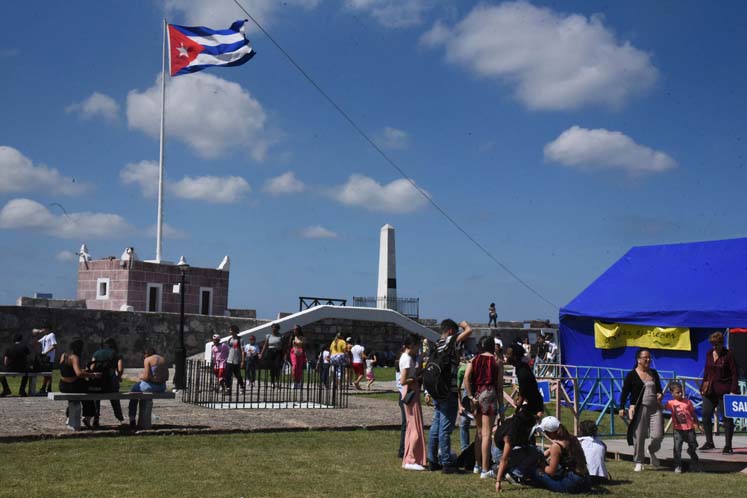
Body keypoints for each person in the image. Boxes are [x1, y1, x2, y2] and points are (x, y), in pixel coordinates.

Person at [427, 319, 473, 474]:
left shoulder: (437, 344)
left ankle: (432, 459)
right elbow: (469, 331)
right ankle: (447, 462)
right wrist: (464, 324)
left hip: (436, 390)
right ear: (452, 331)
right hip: (448, 391)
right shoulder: (450, 341)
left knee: (436, 425)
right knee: (445, 428)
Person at [464, 335, 504, 479]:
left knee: (479, 432)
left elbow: (466, 378)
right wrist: (502, 407)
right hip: (490, 394)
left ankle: (477, 464)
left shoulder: (473, 360)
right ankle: (486, 469)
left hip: (477, 394)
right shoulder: (497, 362)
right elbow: (499, 387)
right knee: (487, 434)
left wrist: (470, 396)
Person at [619, 348, 663, 471]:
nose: (648, 360)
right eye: (645, 358)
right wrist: (622, 407)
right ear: (639, 360)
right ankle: (639, 461)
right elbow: (625, 392)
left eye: (649, 357)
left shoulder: (653, 373)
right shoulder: (632, 375)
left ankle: (651, 450)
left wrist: (659, 394)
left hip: (655, 407)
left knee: (658, 435)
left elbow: (659, 389)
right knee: (639, 435)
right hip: (639, 408)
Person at [700, 331, 739, 454]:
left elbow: (734, 373)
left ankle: (728, 445)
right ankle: (709, 442)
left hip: (725, 390)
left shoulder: (728, 355)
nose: (714, 347)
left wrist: (733, 390)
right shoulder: (709, 354)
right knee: (706, 415)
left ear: (722, 343)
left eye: (716, 345)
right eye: (712, 345)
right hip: (710, 390)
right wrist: (703, 386)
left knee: (727, 418)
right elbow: (706, 371)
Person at [530, 416, 590, 494]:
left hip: (572, 483)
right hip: (585, 480)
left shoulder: (556, 446)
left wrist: (541, 466)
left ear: (549, 433)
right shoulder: (572, 438)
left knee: (534, 471)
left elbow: (551, 471)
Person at [493, 405, 541, 491]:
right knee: (535, 452)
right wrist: (498, 482)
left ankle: (499, 468)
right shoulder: (511, 434)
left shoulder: (513, 420)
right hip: (500, 454)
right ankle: (514, 473)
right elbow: (504, 458)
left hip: (497, 450)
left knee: (530, 450)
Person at [58, 338, 98, 430]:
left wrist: (82, 371)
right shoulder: (74, 357)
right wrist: (93, 374)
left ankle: (69, 416)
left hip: (63, 385)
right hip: (72, 385)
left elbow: (66, 370)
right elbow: (79, 374)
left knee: (75, 399)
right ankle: (87, 416)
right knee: (89, 395)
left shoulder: (63, 355)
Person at [401, 334, 427, 471]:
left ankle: (409, 457)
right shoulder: (406, 359)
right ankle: (411, 459)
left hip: (411, 392)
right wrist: (415, 378)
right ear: (411, 345)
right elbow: (403, 380)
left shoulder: (408, 358)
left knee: (411, 427)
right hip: (411, 392)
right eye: (417, 345)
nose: (418, 348)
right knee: (415, 428)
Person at [664, 381, 701, 473]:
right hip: (678, 430)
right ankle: (678, 465)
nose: (680, 394)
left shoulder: (688, 402)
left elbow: (693, 413)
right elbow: (662, 407)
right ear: (672, 393)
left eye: (681, 392)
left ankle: (693, 457)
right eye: (677, 392)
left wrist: (697, 424)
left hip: (689, 428)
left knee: (693, 444)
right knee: (677, 447)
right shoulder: (671, 403)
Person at [128, 347, 168, 428]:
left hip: (150, 386)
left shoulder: (148, 360)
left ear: (146, 354)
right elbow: (166, 377)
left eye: (144, 355)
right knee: (141, 391)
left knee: (134, 390)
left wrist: (140, 376)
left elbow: (146, 377)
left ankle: (132, 418)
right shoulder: (163, 359)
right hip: (162, 387)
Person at [89, 338, 125, 426]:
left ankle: (96, 417)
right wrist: (118, 377)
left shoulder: (96, 353)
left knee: (96, 397)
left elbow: (91, 368)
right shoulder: (116, 354)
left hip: (98, 384)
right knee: (115, 396)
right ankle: (119, 417)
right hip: (110, 385)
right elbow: (120, 369)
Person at [506, 342, 544, 417]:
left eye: (508, 354)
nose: (506, 356)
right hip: (530, 403)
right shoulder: (520, 367)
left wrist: (518, 405)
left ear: (515, 357)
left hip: (534, 406)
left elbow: (523, 391)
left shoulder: (523, 371)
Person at [35, 324, 57, 395]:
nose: (43, 330)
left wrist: (46, 352)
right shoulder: (45, 337)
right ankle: (46, 388)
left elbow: (54, 346)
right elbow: (36, 342)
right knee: (46, 373)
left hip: (49, 357)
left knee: (48, 373)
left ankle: (46, 388)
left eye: (44, 328)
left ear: (47, 328)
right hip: (44, 357)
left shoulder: (51, 335)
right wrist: (37, 333)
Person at [225, 325, 245, 393]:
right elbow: (228, 350)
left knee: (238, 375)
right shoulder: (229, 340)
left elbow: (242, 351)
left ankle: (242, 386)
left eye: (230, 330)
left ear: (234, 331)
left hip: (237, 360)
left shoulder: (240, 340)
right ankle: (228, 388)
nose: (229, 331)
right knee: (227, 375)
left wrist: (242, 361)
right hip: (229, 360)